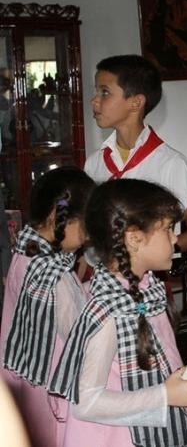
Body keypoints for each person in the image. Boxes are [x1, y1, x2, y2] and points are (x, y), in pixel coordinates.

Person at [47, 179, 187, 447]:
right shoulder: (109, 312)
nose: (175, 238)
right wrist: (165, 395)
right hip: (116, 438)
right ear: (134, 238)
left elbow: (157, 362)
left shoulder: (148, 293)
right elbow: (85, 403)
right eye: (167, 229)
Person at [0, 166, 94, 447]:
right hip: (51, 390)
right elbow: (80, 333)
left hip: (21, 380)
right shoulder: (53, 275)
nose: (88, 237)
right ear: (57, 216)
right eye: (86, 226)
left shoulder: (27, 253)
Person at [84, 54, 187, 252]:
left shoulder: (169, 163)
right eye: (96, 92)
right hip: (102, 270)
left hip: (149, 271)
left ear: (136, 102)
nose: (94, 101)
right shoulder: (94, 163)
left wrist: (158, 248)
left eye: (104, 92)